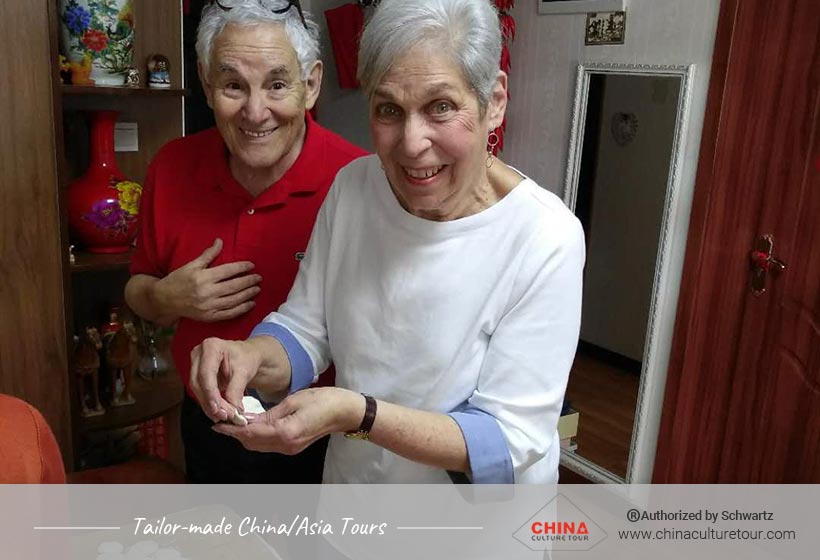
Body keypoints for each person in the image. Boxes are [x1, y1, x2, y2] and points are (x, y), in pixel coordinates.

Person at [190, 0, 585, 483]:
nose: (412, 142)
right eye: (389, 110)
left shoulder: (543, 238)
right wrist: (250, 356)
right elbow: (308, 328)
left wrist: (359, 415)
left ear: (495, 101)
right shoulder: (355, 188)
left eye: (440, 107)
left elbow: (508, 440)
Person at [124, 0, 367, 483]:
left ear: (311, 84)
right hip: (212, 429)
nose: (256, 112)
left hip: (329, 440)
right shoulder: (171, 168)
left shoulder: (358, 181)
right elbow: (137, 288)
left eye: (277, 84)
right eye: (234, 85)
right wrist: (166, 296)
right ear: (206, 83)